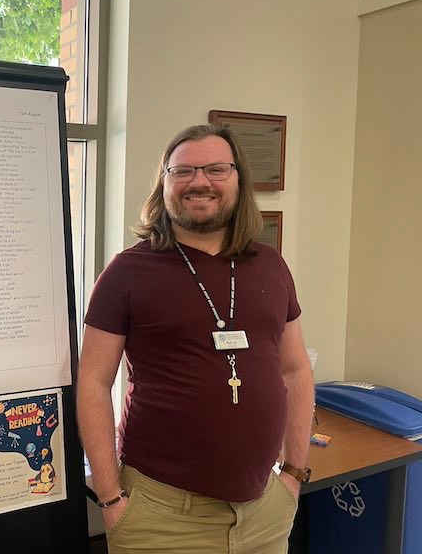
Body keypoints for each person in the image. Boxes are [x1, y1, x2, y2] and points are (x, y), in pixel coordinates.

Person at [77, 124, 315, 554]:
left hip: (264, 513)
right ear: (164, 183)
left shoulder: (271, 265)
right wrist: (110, 498)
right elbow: (93, 382)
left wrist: (295, 474)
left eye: (215, 169)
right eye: (182, 171)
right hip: (162, 518)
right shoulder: (127, 273)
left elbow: (296, 370)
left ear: (238, 179)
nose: (199, 181)